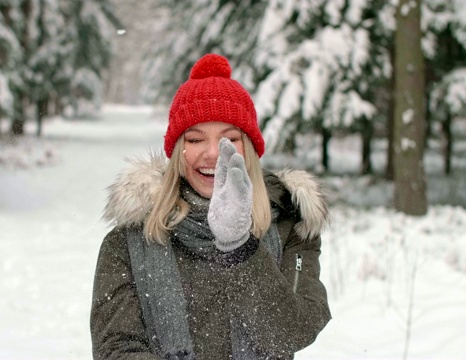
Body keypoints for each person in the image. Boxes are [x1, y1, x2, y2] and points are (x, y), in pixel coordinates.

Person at [90, 53, 331, 360]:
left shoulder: (290, 226)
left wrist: (240, 248)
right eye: (195, 139)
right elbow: (116, 350)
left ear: (250, 149)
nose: (214, 154)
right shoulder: (128, 240)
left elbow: (291, 333)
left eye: (230, 138)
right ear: (179, 150)